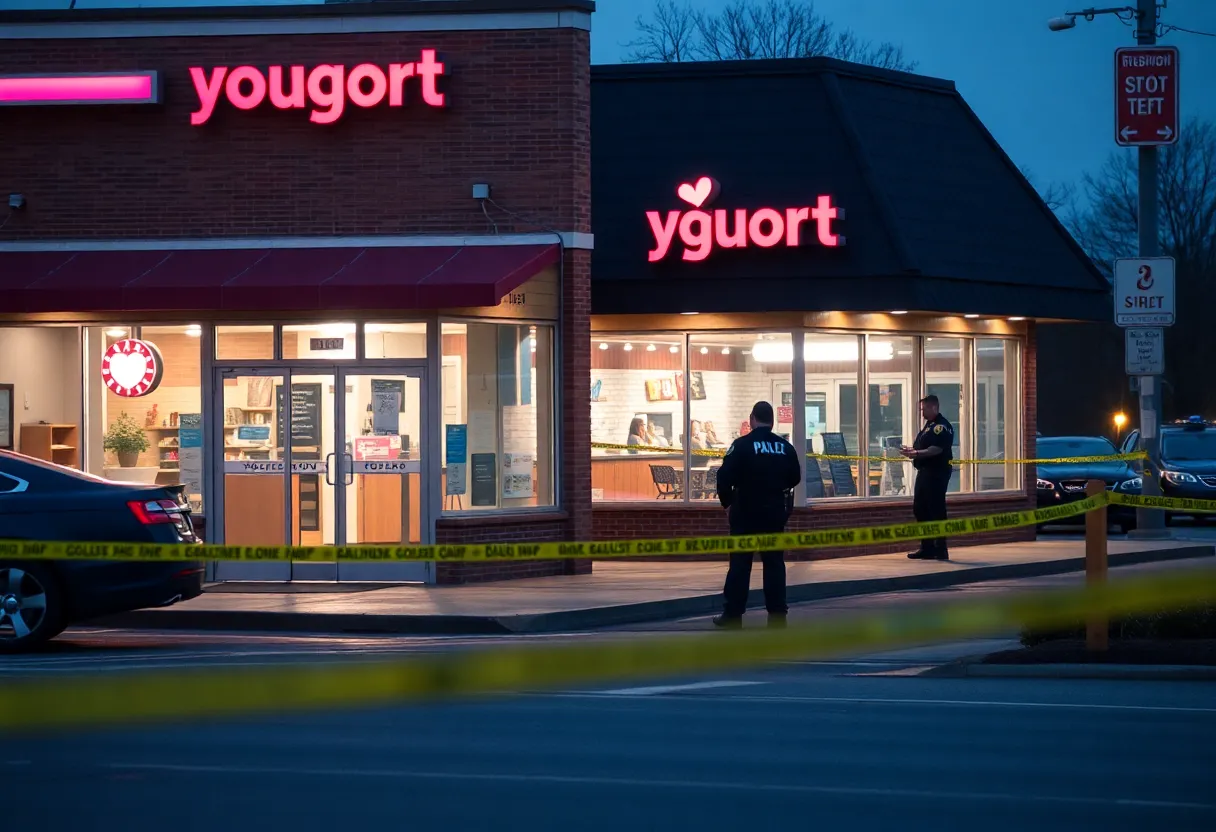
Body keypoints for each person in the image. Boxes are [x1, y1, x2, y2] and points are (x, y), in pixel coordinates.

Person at [713, 401, 802, 628]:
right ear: (772, 421)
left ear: (752, 419)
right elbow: (795, 478)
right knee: (774, 564)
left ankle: (733, 615)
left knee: (740, 564)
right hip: (773, 512)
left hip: (745, 511)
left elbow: (723, 478)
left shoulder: (741, 445)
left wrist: (728, 504)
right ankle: (777, 616)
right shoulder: (785, 447)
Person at [900, 394, 954, 560]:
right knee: (920, 508)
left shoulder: (942, 427)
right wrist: (912, 449)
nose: (922, 413)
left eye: (924, 409)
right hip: (924, 472)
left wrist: (916, 453)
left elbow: (936, 449)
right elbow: (924, 446)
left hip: (936, 473)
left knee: (936, 509)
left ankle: (940, 548)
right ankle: (927, 547)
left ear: (934, 408)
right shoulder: (929, 425)